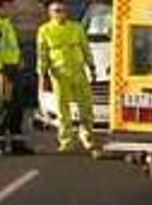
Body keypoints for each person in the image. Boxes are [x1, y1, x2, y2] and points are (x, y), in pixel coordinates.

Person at [36, 1, 98, 156]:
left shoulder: (76, 28)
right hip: (59, 74)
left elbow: (85, 48)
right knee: (63, 109)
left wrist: (91, 66)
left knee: (86, 105)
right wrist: (42, 75)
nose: (60, 13)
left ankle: (87, 136)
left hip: (78, 72)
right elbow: (42, 55)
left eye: (63, 10)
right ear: (50, 13)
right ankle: (66, 140)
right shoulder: (45, 30)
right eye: (57, 10)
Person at [0, 0, 29, 156]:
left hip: (13, 67)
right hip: (3, 70)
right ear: (0, 6)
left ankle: (17, 142)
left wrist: (18, 59)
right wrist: (0, 71)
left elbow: (11, 45)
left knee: (17, 105)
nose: (12, 8)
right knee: (4, 105)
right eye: (9, 5)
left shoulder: (5, 21)